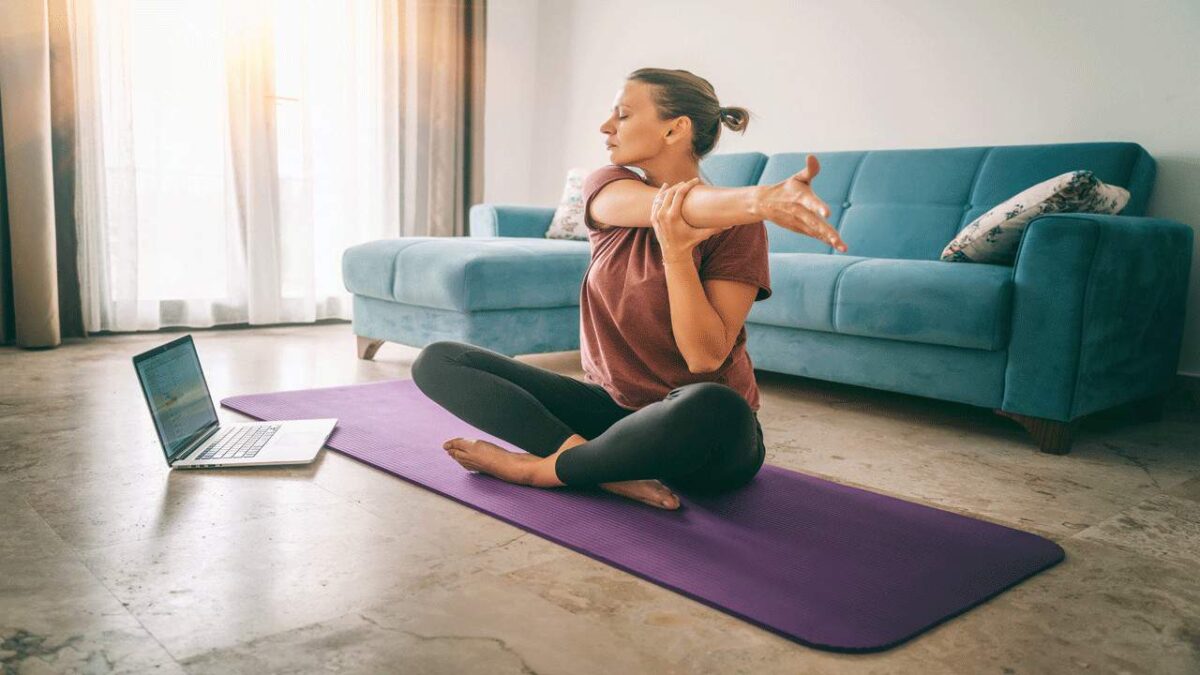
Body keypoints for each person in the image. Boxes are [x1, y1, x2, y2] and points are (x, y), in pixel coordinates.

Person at [411, 67, 847, 510]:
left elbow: (704, 356)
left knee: (716, 405)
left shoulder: (739, 231)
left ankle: (543, 470)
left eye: (622, 115)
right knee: (440, 360)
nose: (606, 127)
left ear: (676, 129)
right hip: (611, 414)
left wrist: (679, 256)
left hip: (698, 435)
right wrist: (759, 200)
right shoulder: (607, 185)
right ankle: (592, 463)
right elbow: (670, 206)